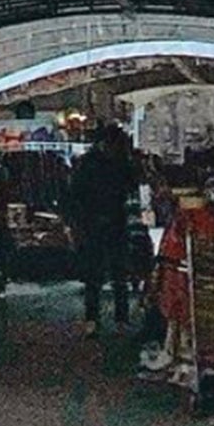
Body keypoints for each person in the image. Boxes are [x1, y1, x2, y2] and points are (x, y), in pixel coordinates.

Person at [65, 124, 139, 335]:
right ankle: (98, 319)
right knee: (99, 274)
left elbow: (131, 185)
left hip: (109, 222)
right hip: (98, 222)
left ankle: (112, 319)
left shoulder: (109, 163)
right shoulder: (93, 164)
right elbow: (75, 195)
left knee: (113, 273)